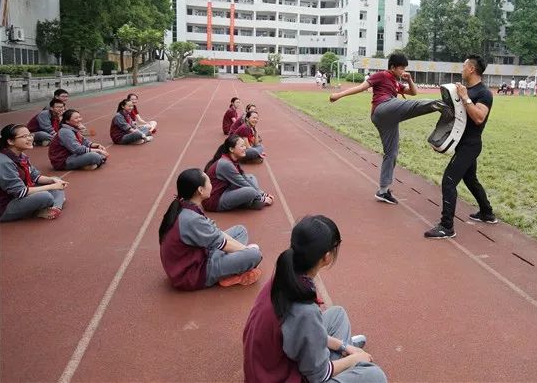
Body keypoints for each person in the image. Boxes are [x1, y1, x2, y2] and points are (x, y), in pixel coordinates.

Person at [243, 215, 386, 383]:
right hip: (282, 376)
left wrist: (343, 346)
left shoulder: (284, 275)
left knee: (337, 315)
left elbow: (299, 329)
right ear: (326, 257)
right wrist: (354, 359)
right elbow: (319, 376)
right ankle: (335, 358)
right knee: (375, 376)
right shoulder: (304, 310)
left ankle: (333, 354)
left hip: (269, 365)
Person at [329, 52, 446, 205]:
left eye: (405, 69)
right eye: (401, 68)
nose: (403, 71)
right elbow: (361, 87)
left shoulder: (396, 82)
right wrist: (339, 95)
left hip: (388, 119)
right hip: (383, 108)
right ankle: (442, 104)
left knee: (391, 153)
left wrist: (409, 79)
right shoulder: (382, 75)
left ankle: (383, 191)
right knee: (412, 105)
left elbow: (413, 92)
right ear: (392, 67)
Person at [426, 55, 497, 239]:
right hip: (460, 142)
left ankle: (447, 226)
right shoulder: (465, 89)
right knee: (470, 179)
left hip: (470, 145)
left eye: (464, 65)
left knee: (449, 181)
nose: (462, 69)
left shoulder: (483, 93)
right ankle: (487, 213)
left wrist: (465, 97)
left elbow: (479, 117)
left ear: (472, 69)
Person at [158, 168, 264, 290]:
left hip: (199, 255)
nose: (211, 184)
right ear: (200, 190)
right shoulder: (191, 219)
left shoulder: (185, 204)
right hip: (193, 273)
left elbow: (217, 236)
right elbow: (222, 243)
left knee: (240, 231)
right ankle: (230, 275)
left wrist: (241, 251)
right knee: (255, 254)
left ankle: (232, 266)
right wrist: (246, 251)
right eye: (208, 182)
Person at [1, 124, 68, 221]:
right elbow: (20, 192)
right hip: (5, 206)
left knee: (56, 180)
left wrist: (52, 180)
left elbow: (34, 176)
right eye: (24, 136)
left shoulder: (21, 155)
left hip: (21, 196)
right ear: (10, 141)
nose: (30, 139)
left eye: (30, 135)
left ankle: (54, 208)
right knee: (46, 196)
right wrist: (52, 187)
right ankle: (53, 203)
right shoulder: (3, 162)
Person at [203, 135, 274, 212]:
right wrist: (262, 198)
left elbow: (244, 178)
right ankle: (250, 202)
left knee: (251, 177)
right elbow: (242, 183)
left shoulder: (232, 159)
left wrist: (263, 193)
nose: (245, 148)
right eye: (242, 146)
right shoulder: (225, 164)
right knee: (250, 191)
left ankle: (250, 201)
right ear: (231, 149)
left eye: (244, 146)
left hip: (226, 190)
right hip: (215, 201)